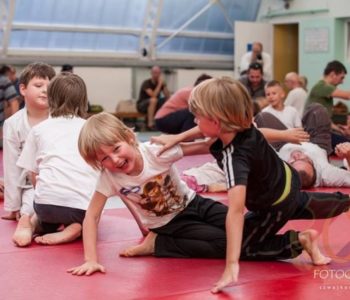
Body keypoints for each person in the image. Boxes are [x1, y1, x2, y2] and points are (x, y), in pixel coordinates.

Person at [154, 78, 347, 293]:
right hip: (288, 181)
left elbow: (235, 211)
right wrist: (178, 140)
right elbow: (206, 139)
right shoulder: (245, 128)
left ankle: (299, 241)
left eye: (197, 118)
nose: (194, 122)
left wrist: (231, 265)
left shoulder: (235, 159)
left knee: (247, 245)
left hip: (273, 206)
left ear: (216, 122)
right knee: (315, 203)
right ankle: (345, 202)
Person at [67, 112, 229, 276]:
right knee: (225, 243)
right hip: (170, 224)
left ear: (129, 137)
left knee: (241, 225)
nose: (115, 160)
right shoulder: (109, 178)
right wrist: (90, 260)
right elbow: (92, 216)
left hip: (195, 203)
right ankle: (160, 243)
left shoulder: (155, 152)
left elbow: (206, 145)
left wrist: (181, 137)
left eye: (116, 149)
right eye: (105, 159)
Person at [14, 73, 99, 247]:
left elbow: (32, 174)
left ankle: (30, 223)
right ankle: (76, 228)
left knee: (44, 211)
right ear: (83, 100)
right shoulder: (90, 128)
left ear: (50, 99)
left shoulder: (39, 129)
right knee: (93, 217)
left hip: (46, 206)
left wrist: (44, 195)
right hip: (80, 209)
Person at [2, 62, 56, 227]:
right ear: (23, 89)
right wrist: (13, 206)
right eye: (38, 85)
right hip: (32, 185)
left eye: (50, 86)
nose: (45, 90)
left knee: (85, 207)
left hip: (63, 181)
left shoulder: (62, 119)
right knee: (30, 208)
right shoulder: (13, 124)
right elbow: (11, 166)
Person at [305, 60, 350, 149]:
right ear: (333, 74)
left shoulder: (323, 89)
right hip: (316, 135)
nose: (342, 82)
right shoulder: (321, 86)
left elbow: (326, 120)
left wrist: (339, 129)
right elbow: (348, 95)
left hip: (321, 131)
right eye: (341, 78)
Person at [137, 66, 170, 130]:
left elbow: (168, 96)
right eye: (155, 73)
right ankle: (150, 124)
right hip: (142, 105)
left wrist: (164, 85)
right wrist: (160, 84)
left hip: (155, 104)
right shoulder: (146, 83)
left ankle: (165, 122)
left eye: (158, 73)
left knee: (167, 101)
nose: (156, 75)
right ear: (151, 73)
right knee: (153, 100)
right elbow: (154, 95)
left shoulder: (160, 83)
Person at [0, 67, 19, 148]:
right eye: (12, 73)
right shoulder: (4, 81)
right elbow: (14, 102)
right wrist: (13, 124)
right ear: (8, 73)